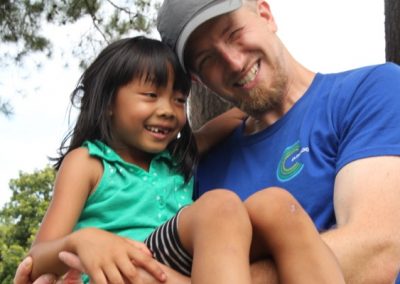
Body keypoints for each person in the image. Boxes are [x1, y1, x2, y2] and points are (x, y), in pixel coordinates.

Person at [15, 35, 345, 284]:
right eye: (150, 95)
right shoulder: (89, 162)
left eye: (178, 100)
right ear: (108, 102)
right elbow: (36, 258)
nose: (168, 111)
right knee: (219, 206)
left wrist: (276, 90)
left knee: (277, 204)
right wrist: (81, 240)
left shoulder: (173, 159)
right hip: (123, 268)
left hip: (184, 260)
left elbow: (236, 116)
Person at [156, 0, 400, 283]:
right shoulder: (201, 169)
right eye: (207, 59)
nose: (234, 62)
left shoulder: (371, 91)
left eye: (233, 32)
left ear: (265, 14)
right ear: (199, 80)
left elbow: (377, 252)